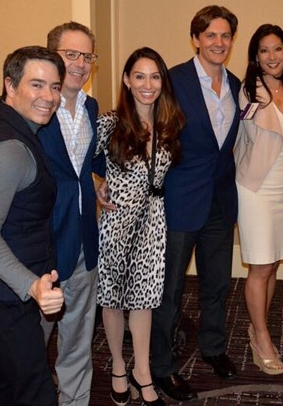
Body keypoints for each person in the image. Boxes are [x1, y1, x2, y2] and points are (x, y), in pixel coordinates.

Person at [0, 22, 105, 406]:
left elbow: (87, 164)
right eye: (71, 54)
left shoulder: (90, 107)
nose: (80, 63)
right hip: (33, 255)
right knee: (30, 358)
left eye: (87, 56)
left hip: (81, 239)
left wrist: (101, 183)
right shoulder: (27, 114)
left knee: (75, 340)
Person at [0, 46, 66, 405]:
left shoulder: (5, 125)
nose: (48, 96)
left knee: (6, 385)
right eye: (37, 85)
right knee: (36, 391)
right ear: (10, 85)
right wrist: (31, 285)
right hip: (1, 296)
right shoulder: (9, 148)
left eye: (54, 86)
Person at [150, 5, 241, 402]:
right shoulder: (173, 80)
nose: (218, 42)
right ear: (196, 39)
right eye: (210, 35)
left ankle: (213, 347)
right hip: (180, 200)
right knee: (169, 289)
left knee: (216, 283)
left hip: (221, 200)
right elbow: (148, 131)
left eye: (225, 36)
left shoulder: (237, 83)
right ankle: (162, 365)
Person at [95, 47, 184, 406]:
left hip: (153, 222)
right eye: (140, 76)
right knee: (113, 298)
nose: (148, 84)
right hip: (117, 221)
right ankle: (119, 367)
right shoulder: (109, 123)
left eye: (155, 76)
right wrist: (96, 183)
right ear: (127, 81)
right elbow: (76, 162)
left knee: (145, 300)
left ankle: (142, 371)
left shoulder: (169, 124)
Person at [234, 24, 283, 375]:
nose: (272, 56)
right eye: (264, 50)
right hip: (256, 188)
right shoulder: (248, 90)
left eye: (278, 48)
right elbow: (241, 138)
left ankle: (257, 326)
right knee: (260, 266)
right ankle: (261, 337)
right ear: (255, 56)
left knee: (274, 262)